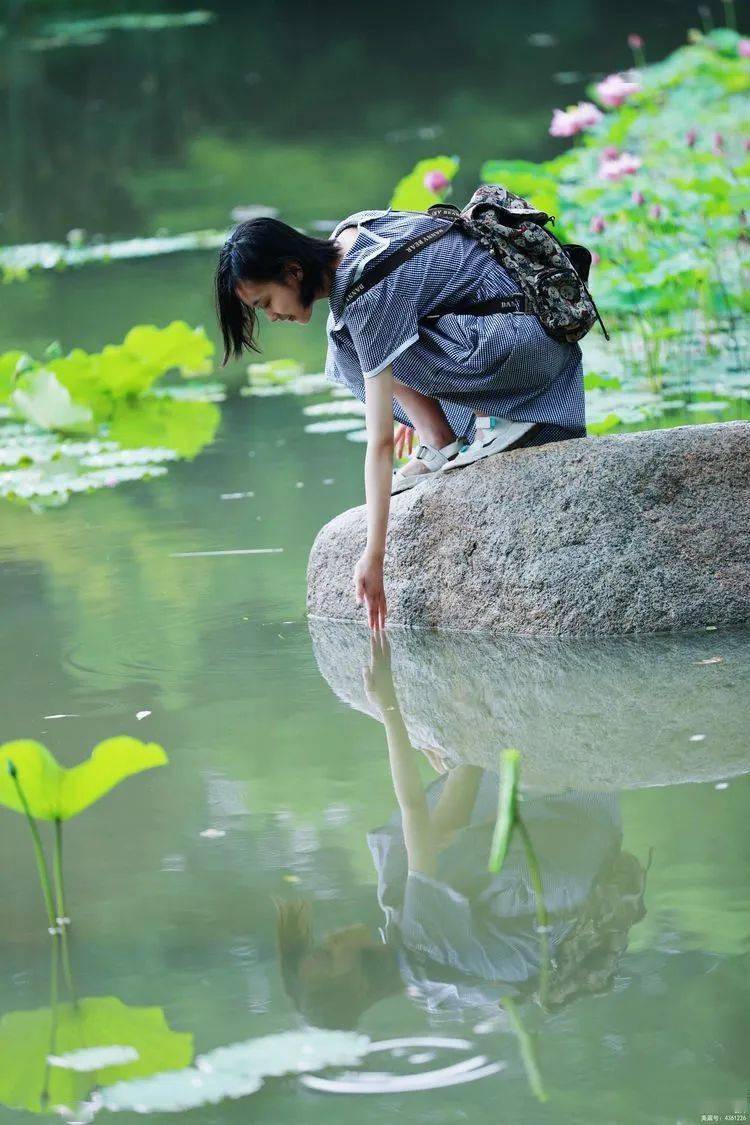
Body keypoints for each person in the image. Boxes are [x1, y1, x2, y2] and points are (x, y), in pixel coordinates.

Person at [214, 206, 587, 631]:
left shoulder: (365, 289)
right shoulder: (352, 232)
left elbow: (380, 444)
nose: (272, 316)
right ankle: (438, 439)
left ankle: (497, 416)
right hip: (519, 332)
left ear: (292, 271)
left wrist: (374, 556)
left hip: (524, 345)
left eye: (265, 302)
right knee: (345, 339)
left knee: (358, 335)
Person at [275, 635, 648, 1031]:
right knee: (420, 841)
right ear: (359, 984)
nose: (331, 939)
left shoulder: (429, 979)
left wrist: (461, 756)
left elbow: (441, 831)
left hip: (589, 840)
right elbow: (414, 809)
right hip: (578, 821)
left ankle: (473, 742)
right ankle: (486, 730)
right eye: (330, 955)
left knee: (423, 843)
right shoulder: (423, 944)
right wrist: (388, 703)